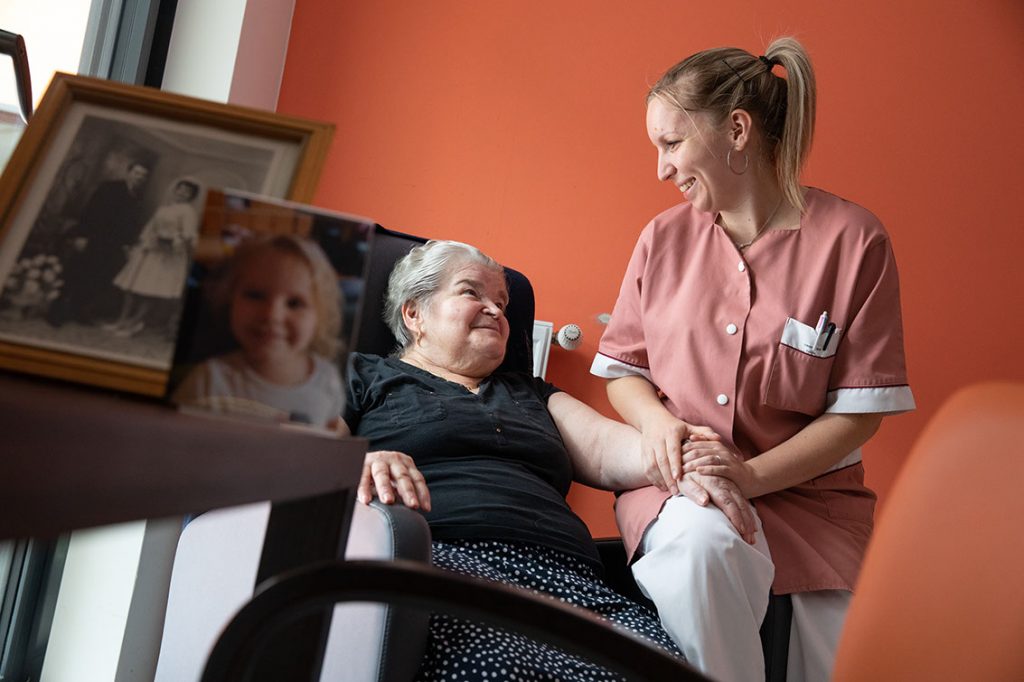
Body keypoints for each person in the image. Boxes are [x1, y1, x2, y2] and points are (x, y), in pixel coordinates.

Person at [590, 37, 915, 682]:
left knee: (845, 655)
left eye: (671, 144)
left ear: (736, 130)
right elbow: (626, 372)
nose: (660, 169)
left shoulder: (853, 243)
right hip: (681, 483)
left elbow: (857, 415)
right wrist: (664, 432)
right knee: (701, 553)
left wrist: (752, 477)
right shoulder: (662, 240)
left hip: (810, 501)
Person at [343, 239, 707, 681]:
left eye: (501, 302)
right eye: (471, 293)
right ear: (414, 314)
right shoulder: (364, 375)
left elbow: (609, 449)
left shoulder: (532, 392)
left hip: (572, 582)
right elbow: (305, 446)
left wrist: (687, 453)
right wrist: (357, 460)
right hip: (444, 560)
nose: (496, 311)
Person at [172, 233, 345, 428]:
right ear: (230, 300)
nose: (272, 315)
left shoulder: (328, 381)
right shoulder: (207, 381)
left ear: (320, 316)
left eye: (294, 303)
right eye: (255, 295)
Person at [45, 160, 151, 327]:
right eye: (137, 173)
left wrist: (128, 244)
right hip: (93, 238)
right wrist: (82, 235)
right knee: (75, 274)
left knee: (95, 279)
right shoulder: (110, 188)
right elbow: (91, 211)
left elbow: (130, 224)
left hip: (112, 246)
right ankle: (55, 312)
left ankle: (77, 310)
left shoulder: (136, 197)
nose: (139, 178)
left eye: (143, 176)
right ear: (129, 172)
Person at [104, 178, 202, 338]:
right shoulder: (164, 208)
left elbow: (188, 235)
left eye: (187, 192)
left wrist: (171, 242)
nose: (182, 193)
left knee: (148, 290)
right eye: (181, 189)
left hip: (167, 255)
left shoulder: (188, 211)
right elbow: (150, 227)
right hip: (150, 250)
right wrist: (143, 242)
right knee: (131, 287)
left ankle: (135, 323)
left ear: (191, 196)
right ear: (175, 190)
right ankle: (121, 320)